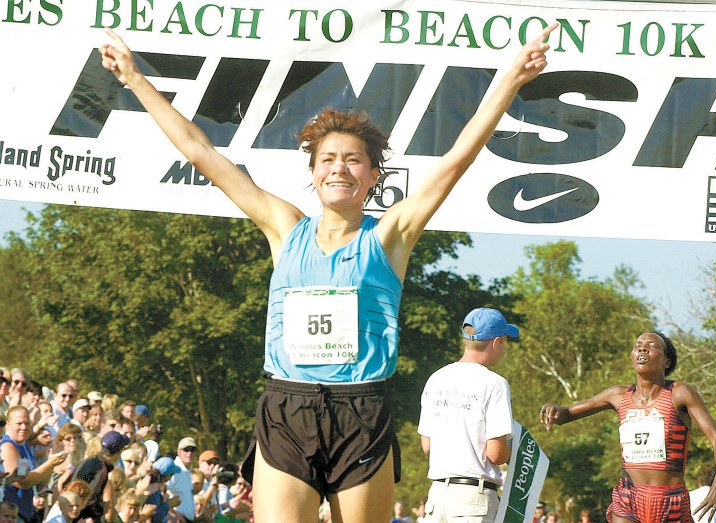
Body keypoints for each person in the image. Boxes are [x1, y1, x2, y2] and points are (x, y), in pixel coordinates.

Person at [100, 21, 557, 522]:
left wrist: (510, 79)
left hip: (360, 412)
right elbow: (201, 152)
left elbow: (455, 160)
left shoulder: (390, 236)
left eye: (354, 160)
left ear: (372, 175)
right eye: (329, 160)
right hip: (287, 408)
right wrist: (135, 78)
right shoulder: (282, 226)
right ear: (314, 172)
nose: (340, 168)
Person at [540, 332, 716, 523]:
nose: (642, 347)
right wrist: (553, 409)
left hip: (670, 500)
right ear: (632, 359)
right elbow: (566, 414)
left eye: (652, 345)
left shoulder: (680, 393)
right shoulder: (618, 395)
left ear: (666, 361)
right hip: (628, 498)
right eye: (638, 345)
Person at [418, 308, 517, 523]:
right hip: (474, 500)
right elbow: (496, 453)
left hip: (437, 495)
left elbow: (427, 446)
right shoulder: (495, 384)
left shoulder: (436, 378)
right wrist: (517, 454)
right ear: (495, 342)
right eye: (505, 342)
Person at [1, 406, 67, 523]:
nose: (24, 427)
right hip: (9, 517)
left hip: (24, 514)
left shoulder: (24, 446)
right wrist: (49, 463)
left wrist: (51, 465)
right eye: (19, 423)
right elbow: (23, 483)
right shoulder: (7, 446)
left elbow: (38, 485)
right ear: (8, 424)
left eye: (27, 423)